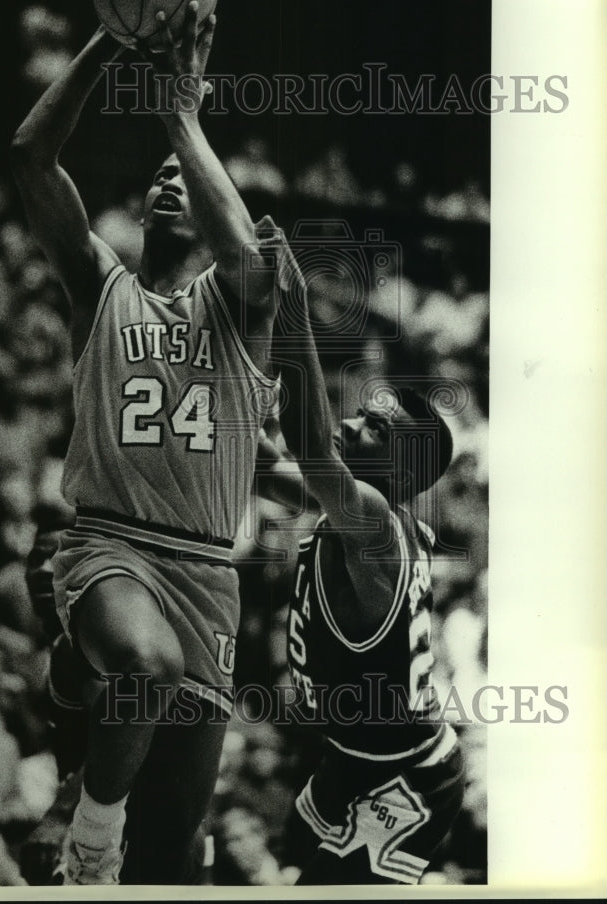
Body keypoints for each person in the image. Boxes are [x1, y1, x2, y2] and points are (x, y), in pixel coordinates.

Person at [10, 1, 282, 885]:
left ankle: (91, 773)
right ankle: (89, 829)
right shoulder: (101, 286)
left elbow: (244, 249)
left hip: (207, 577)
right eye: (159, 173)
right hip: (112, 546)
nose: (171, 181)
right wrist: (105, 44)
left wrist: (182, 117)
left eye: (188, 174)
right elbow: (29, 159)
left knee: (173, 849)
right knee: (142, 662)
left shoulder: (244, 308)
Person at [264, 257, 464, 884]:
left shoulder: (374, 524)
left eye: (373, 428)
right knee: (291, 867)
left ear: (401, 475)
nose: (351, 421)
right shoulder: (350, 515)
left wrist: (291, 314)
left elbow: (309, 445)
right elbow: (265, 467)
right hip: (350, 754)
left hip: (407, 773)